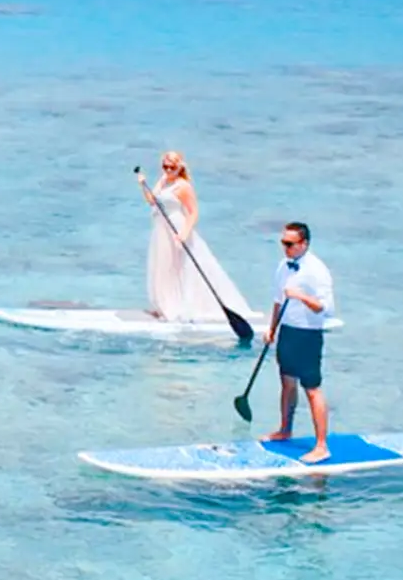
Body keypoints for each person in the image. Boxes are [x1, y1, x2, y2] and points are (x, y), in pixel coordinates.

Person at [139, 151, 252, 325]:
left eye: (172, 167)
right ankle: (164, 304)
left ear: (179, 167)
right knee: (163, 266)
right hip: (160, 230)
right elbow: (152, 201)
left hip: (176, 227)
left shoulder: (183, 186)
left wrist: (184, 233)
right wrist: (143, 184)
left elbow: (193, 212)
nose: (168, 170)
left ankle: (179, 304)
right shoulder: (163, 181)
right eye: (165, 166)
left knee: (179, 266)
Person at [263, 221, 336, 463]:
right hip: (288, 330)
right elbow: (277, 300)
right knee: (286, 383)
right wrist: (271, 329)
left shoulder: (317, 270)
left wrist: (301, 296)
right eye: (283, 243)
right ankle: (285, 429)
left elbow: (326, 309)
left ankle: (322, 445)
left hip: (308, 334)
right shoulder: (283, 266)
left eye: (290, 244)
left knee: (312, 388)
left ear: (304, 244)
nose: (285, 248)